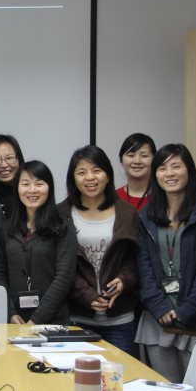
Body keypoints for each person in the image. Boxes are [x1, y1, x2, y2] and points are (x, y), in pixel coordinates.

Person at [135, 144, 196, 382]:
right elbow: (142, 265)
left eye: (176, 166)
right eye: (162, 168)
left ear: (189, 170)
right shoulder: (146, 216)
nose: (169, 174)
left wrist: (189, 309)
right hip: (158, 322)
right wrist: (158, 305)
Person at [59, 145, 140, 355]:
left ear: (108, 175)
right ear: (73, 178)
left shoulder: (126, 213)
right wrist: (87, 296)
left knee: (122, 374)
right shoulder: (61, 214)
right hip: (77, 318)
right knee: (77, 374)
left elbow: (134, 258)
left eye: (96, 170)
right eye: (82, 172)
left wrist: (123, 280)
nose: (90, 178)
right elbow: (60, 266)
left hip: (120, 318)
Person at [0, 161, 77, 325]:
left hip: (53, 322)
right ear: (17, 188)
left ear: (49, 188)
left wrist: (36, 320)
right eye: (25, 184)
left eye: (39, 184)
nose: (32, 190)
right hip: (14, 322)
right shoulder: (6, 228)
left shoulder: (63, 226)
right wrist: (10, 312)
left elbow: (64, 277)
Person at [116, 133, 156, 211]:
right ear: (121, 160)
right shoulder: (112, 199)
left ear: (154, 160)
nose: (137, 161)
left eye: (144, 156)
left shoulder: (164, 197)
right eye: (131, 155)